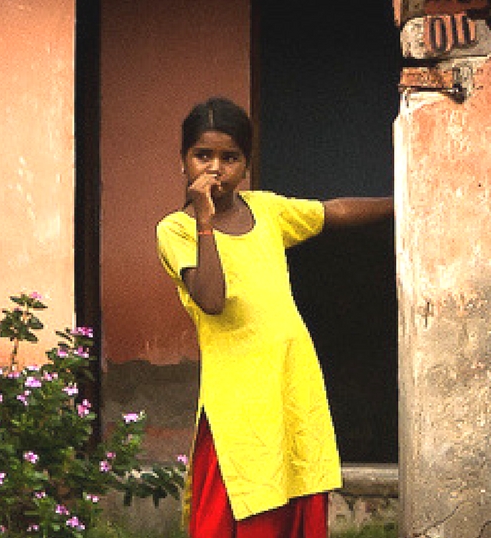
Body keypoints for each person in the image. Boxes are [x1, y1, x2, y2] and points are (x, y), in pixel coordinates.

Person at [155, 97, 394, 538]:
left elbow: (331, 211)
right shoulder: (176, 230)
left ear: (246, 165)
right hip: (236, 400)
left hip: (289, 380)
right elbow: (211, 298)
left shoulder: (266, 211)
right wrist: (205, 221)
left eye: (230, 158)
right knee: (242, 503)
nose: (215, 169)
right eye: (202, 155)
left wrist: (404, 202)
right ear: (182, 162)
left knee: (295, 490)